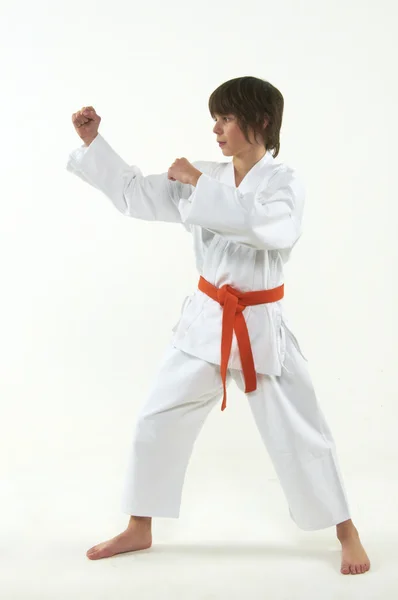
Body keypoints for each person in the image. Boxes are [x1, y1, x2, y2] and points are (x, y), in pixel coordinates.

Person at [66, 76, 370, 575]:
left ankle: (347, 530)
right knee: (155, 418)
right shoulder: (202, 175)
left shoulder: (283, 183)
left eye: (227, 118)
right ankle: (139, 525)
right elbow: (134, 195)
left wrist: (199, 186)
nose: (216, 129)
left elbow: (263, 228)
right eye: (216, 118)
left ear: (261, 122)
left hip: (260, 326)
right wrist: (94, 143)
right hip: (207, 321)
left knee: (303, 432)